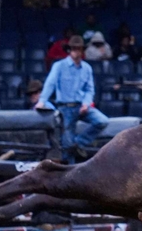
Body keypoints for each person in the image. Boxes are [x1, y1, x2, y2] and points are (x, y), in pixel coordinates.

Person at [38, 35, 109, 164]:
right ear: (69, 50)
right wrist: (42, 100)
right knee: (66, 145)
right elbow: (50, 83)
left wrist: (86, 104)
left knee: (102, 121)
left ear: (82, 51)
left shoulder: (87, 68)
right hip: (65, 108)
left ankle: (78, 143)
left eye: (79, 49)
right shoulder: (59, 66)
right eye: (74, 49)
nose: (76, 51)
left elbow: (89, 89)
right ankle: (69, 169)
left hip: (81, 106)